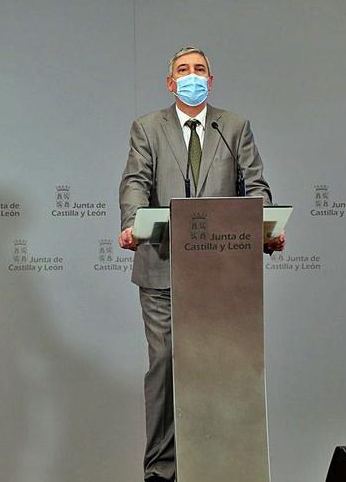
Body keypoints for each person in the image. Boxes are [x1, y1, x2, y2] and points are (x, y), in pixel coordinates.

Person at [117, 46, 284, 482]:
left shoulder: (234, 127)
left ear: (211, 81)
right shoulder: (148, 128)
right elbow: (135, 181)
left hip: (222, 274)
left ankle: (220, 464)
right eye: (183, 70)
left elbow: (256, 186)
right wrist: (132, 222)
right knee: (166, 363)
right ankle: (162, 469)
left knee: (223, 366)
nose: (192, 76)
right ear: (170, 82)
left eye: (199, 70)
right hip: (163, 269)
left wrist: (265, 226)